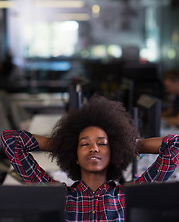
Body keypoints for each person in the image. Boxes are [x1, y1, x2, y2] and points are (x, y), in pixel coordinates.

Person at [1, 95, 179, 221]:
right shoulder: (57, 196)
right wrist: (63, 145)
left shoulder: (130, 195)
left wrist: (130, 145)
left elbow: (176, 146)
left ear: (113, 154)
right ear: (75, 156)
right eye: (84, 144)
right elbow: (11, 140)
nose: (94, 148)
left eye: (102, 144)